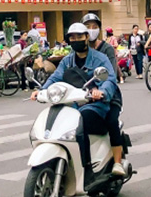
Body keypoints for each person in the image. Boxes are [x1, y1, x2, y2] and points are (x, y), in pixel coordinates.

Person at [31, 22, 124, 185]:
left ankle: (89, 168)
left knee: (82, 122)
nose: (76, 40)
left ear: (87, 37)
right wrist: (41, 90)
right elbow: (55, 77)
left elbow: (110, 79)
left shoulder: (100, 58)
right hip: (73, 103)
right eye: (72, 38)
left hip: (95, 103)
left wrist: (101, 91)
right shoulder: (67, 61)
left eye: (79, 36)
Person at [81, 13, 125, 175]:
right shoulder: (78, 51)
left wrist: (100, 90)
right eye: (87, 27)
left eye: (94, 27)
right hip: (83, 96)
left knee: (111, 120)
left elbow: (110, 75)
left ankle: (118, 163)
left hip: (108, 95)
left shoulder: (106, 49)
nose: (91, 30)